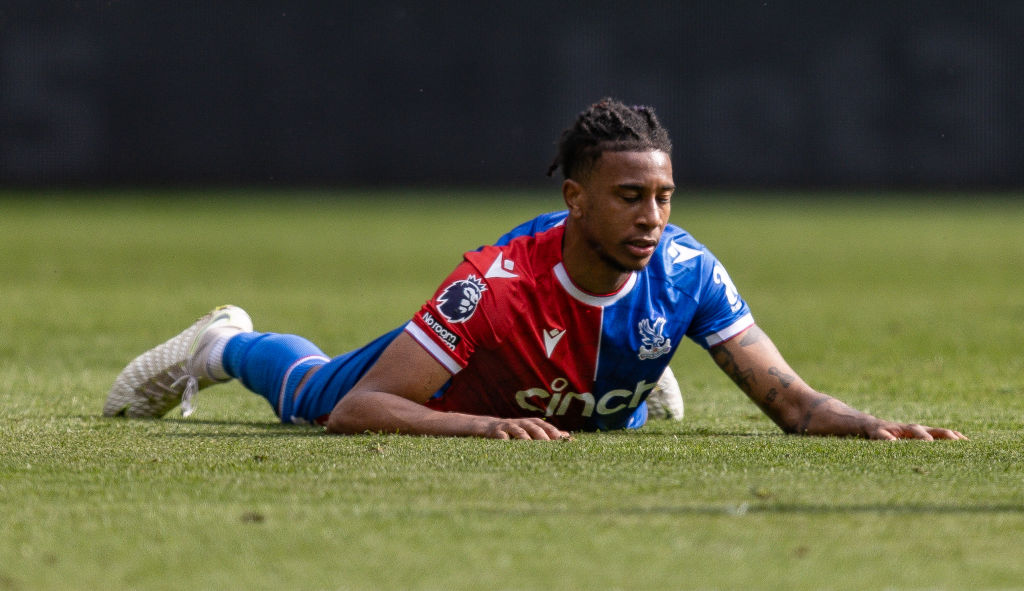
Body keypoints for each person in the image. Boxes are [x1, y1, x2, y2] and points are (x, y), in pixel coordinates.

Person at [104, 98, 966, 442]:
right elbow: (365, 412)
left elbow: (791, 401)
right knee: (312, 394)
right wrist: (483, 430)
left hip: (569, 389)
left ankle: (631, 379)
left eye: (664, 195)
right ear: (576, 198)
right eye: (630, 196)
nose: (654, 217)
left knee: (602, 409)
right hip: (456, 393)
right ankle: (224, 342)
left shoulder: (688, 268)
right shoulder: (496, 283)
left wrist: (863, 423)